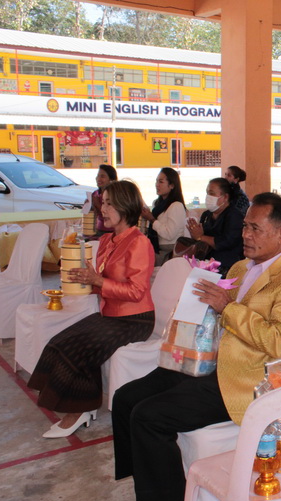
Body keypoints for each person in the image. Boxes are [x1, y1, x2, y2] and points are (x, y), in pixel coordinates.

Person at [112, 193, 281, 501]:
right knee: (125, 399)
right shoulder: (240, 267)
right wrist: (199, 300)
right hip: (209, 363)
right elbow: (219, 316)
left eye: (255, 228)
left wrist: (226, 307)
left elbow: (279, 341)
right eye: (245, 226)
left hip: (245, 380)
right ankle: (149, 490)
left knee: (149, 416)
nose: (246, 234)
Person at [28, 181, 155, 438]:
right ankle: (83, 405)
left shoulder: (139, 243)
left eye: (109, 204)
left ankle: (79, 411)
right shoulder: (108, 240)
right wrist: (85, 282)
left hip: (135, 319)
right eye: (102, 202)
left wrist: (97, 280)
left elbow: (136, 292)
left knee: (78, 349)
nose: (102, 209)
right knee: (59, 341)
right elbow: (103, 284)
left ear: (125, 206)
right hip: (111, 313)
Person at [185, 178, 245, 274]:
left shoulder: (234, 215)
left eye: (212, 193)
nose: (208, 197)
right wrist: (195, 233)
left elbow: (227, 242)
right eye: (207, 193)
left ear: (225, 197)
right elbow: (199, 239)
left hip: (227, 267)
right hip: (206, 263)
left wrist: (201, 237)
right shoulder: (206, 215)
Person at [141, 167, 188, 265]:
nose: (157, 185)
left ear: (171, 185)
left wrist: (152, 219)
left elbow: (169, 234)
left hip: (168, 250)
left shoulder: (176, 206)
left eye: (161, 182)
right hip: (156, 247)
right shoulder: (157, 203)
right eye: (156, 181)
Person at [90, 164, 117, 236]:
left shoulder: (116, 194)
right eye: (97, 176)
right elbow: (94, 214)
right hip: (99, 230)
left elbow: (112, 214)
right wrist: (89, 205)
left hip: (113, 231)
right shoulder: (95, 194)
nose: (98, 179)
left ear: (111, 179)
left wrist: (97, 204)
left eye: (102, 176)